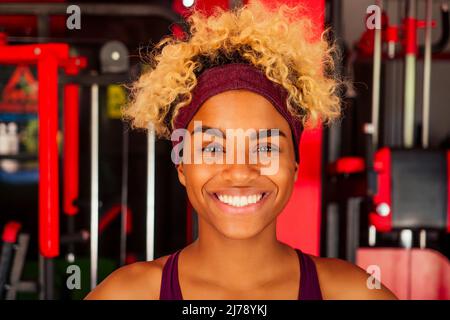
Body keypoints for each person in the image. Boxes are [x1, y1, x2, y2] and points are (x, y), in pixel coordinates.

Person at [85, 1, 397, 300]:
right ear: (182, 166)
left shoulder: (354, 293)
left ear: (295, 165)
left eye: (265, 148)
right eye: (213, 149)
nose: (239, 172)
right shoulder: (126, 294)